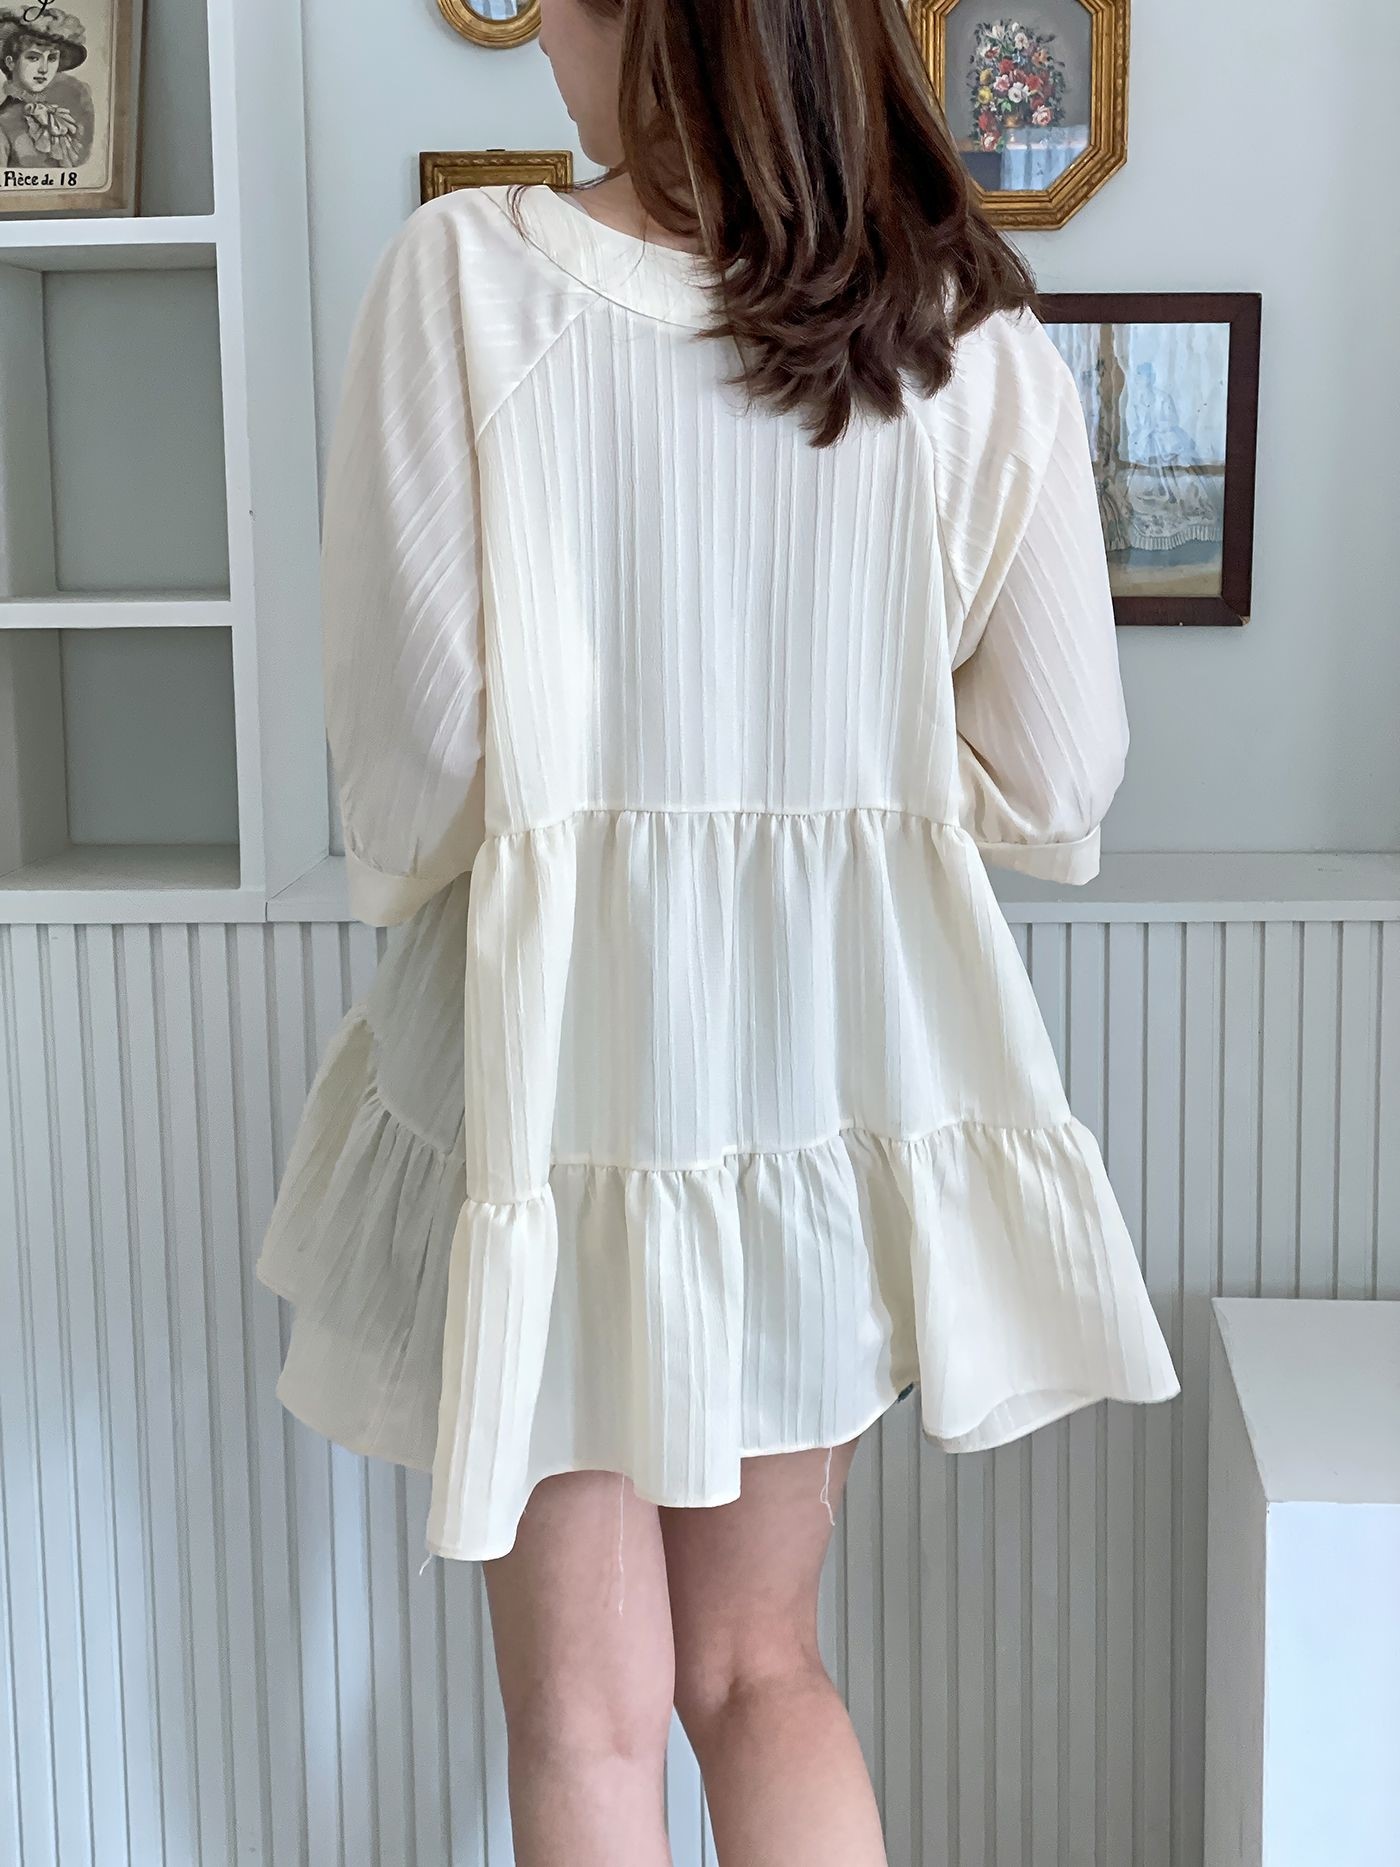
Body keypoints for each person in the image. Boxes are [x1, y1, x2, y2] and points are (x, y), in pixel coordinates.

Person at [256, 0, 1182, 1859]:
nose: (538, 36)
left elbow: (409, 784)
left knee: (585, 1726)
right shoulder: (960, 328)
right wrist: (846, 784)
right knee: (764, 1671)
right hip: (800, 1096)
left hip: (542, 1077)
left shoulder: (468, 279)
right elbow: (1061, 769)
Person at [0, 7, 87, 172]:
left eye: (52, 58)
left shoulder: (53, 116)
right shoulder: (3, 124)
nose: (44, 69)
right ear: (11, 62)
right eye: (33, 58)